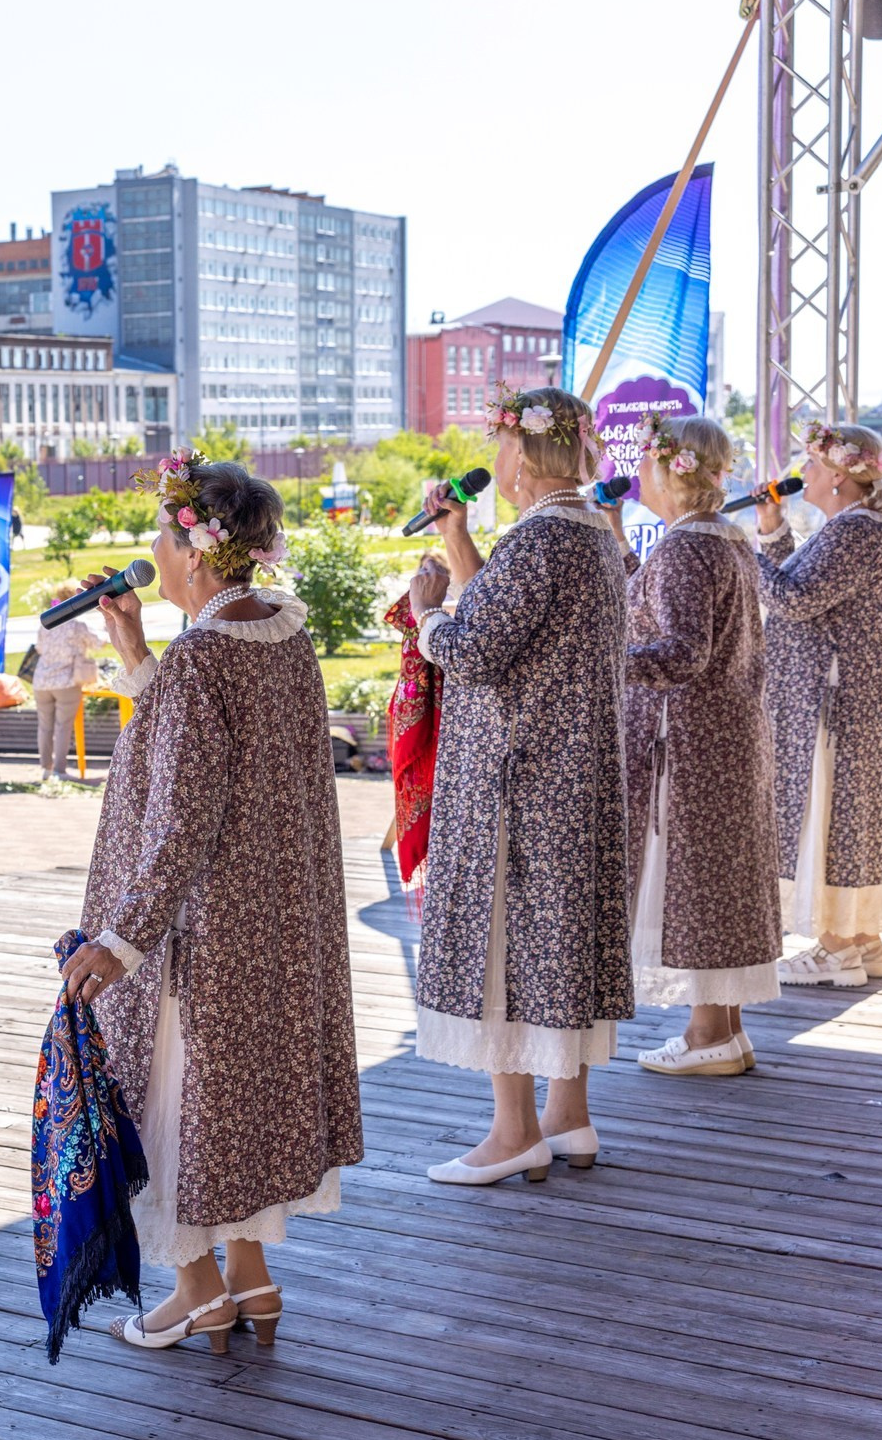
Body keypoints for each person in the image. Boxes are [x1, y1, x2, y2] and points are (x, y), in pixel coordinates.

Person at [61, 456, 358, 1352]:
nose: (151, 548)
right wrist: (137, 653)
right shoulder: (279, 635)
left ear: (195, 552)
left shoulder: (202, 660)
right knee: (229, 1103)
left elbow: (184, 811)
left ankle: (195, 1290)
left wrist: (122, 938)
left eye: (162, 532)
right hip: (274, 917)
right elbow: (219, 755)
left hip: (203, 926)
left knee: (173, 1095)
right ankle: (250, 1281)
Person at [405, 385, 631, 1185]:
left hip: (518, 778)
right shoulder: (593, 537)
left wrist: (425, 612)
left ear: (523, 459)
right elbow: (514, 623)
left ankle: (513, 1132)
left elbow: (473, 648)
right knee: (559, 941)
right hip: (573, 774)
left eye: (501, 443)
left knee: (508, 942)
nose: (494, 459)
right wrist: (461, 543)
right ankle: (569, 1116)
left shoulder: (538, 544)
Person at [598, 418, 782, 1076]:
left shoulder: (685, 550)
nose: (638, 471)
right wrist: (616, 533)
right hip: (728, 733)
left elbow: (680, 652)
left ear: (673, 471)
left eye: (646, 461)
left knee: (699, 885)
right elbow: (649, 604)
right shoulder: (719, 539)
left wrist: (598, 659)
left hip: (694, 741)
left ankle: (709, 1035)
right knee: (720, 882)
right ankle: (723, 1030)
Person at [755, 420, 882, 986]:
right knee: (852, 823)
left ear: (843, 478)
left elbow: (794, 600)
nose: (805, 474)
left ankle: (837, 948)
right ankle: (863, 942)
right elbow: (806, 584)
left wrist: (738, 552)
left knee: (835, 819)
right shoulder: (853, 528)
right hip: (853, 707)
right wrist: (771, 533)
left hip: (839, 710)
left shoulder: (855, 532)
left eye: (815, 464)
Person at [32, 577, 109, 780]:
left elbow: (39, 648)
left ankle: (46, 769)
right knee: (62, 725)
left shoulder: (47, 620)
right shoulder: (77, 623)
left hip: (41, 680)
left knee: (45, 725)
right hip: (66, 681)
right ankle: (59, 770)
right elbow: (99, 642)